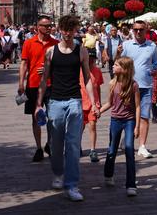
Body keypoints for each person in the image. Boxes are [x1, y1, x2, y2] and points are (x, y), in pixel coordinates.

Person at [35, 15, 99, 202]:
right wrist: (39, 104)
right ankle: (57, 173)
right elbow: (44, 80)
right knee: (56, 144)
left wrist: (93, 101)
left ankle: (72, 185)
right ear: (60, 30)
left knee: (72, 145)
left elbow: (87, 78)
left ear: (76, 30)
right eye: (65, 29)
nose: (68, 33)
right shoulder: (51, 52)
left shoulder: (81, 51)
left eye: (72, 29)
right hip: (55, 102)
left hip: (74, 101)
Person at [19, 15, 58, 162]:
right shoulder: (29, 43)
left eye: (50, 25)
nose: (49, 28)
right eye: (46, 26)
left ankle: (49, 143)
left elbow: (60, 63)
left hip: (51, 84)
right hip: (33, 84)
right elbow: (23, 64)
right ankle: (39, 148)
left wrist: (50, 68)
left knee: (54, 118)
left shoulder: (56, 43)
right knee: (36, 118)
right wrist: (20, 84)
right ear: (38, 27)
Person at [99, 57, 140, 197]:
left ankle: (131, 184)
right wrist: (99, 111)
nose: (113, 66)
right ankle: (108, 174)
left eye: (116, 65)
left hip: (129, 120)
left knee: (129, 149)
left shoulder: (134, 85)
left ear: (124, 69)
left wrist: (137, 126)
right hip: (115, 120)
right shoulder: (112, 83)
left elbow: (138, 106)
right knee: (112, 150)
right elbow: (109, 103)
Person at [119, 20, 157, 159]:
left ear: (146, 30)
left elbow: (155, 63)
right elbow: (118, 62)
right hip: (129, 85)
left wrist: (154, 70)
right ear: (132, 30)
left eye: (141, 29)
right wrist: (117, 55)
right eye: (135, 29)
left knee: (144, 116)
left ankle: (142, 146)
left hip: (146, 86)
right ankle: (126, 138)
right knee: (128, 115)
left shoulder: (152, 46)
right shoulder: (127, 45)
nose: (138, 32)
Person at [80, 54, 103, 163]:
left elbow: (98, 87)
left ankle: (93, 150)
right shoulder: (79, 70)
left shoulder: (97, 71)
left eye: (93, 59)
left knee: (92, 125)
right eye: (89, 59)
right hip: (81, 102)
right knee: (80, 127)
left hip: (94, 103)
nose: (91, 61)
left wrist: (99, 103)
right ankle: (77, 146)